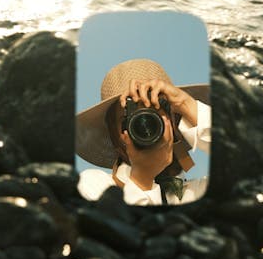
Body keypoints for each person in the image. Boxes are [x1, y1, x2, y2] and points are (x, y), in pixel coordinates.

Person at [76, 58, 211, 205]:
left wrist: (185, 104)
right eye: (128, 119)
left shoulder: (197, 192)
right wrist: (142, 178)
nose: (143, 124)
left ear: (173, 123)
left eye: (153, 113)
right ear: (114, 136)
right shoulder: (92, 185)